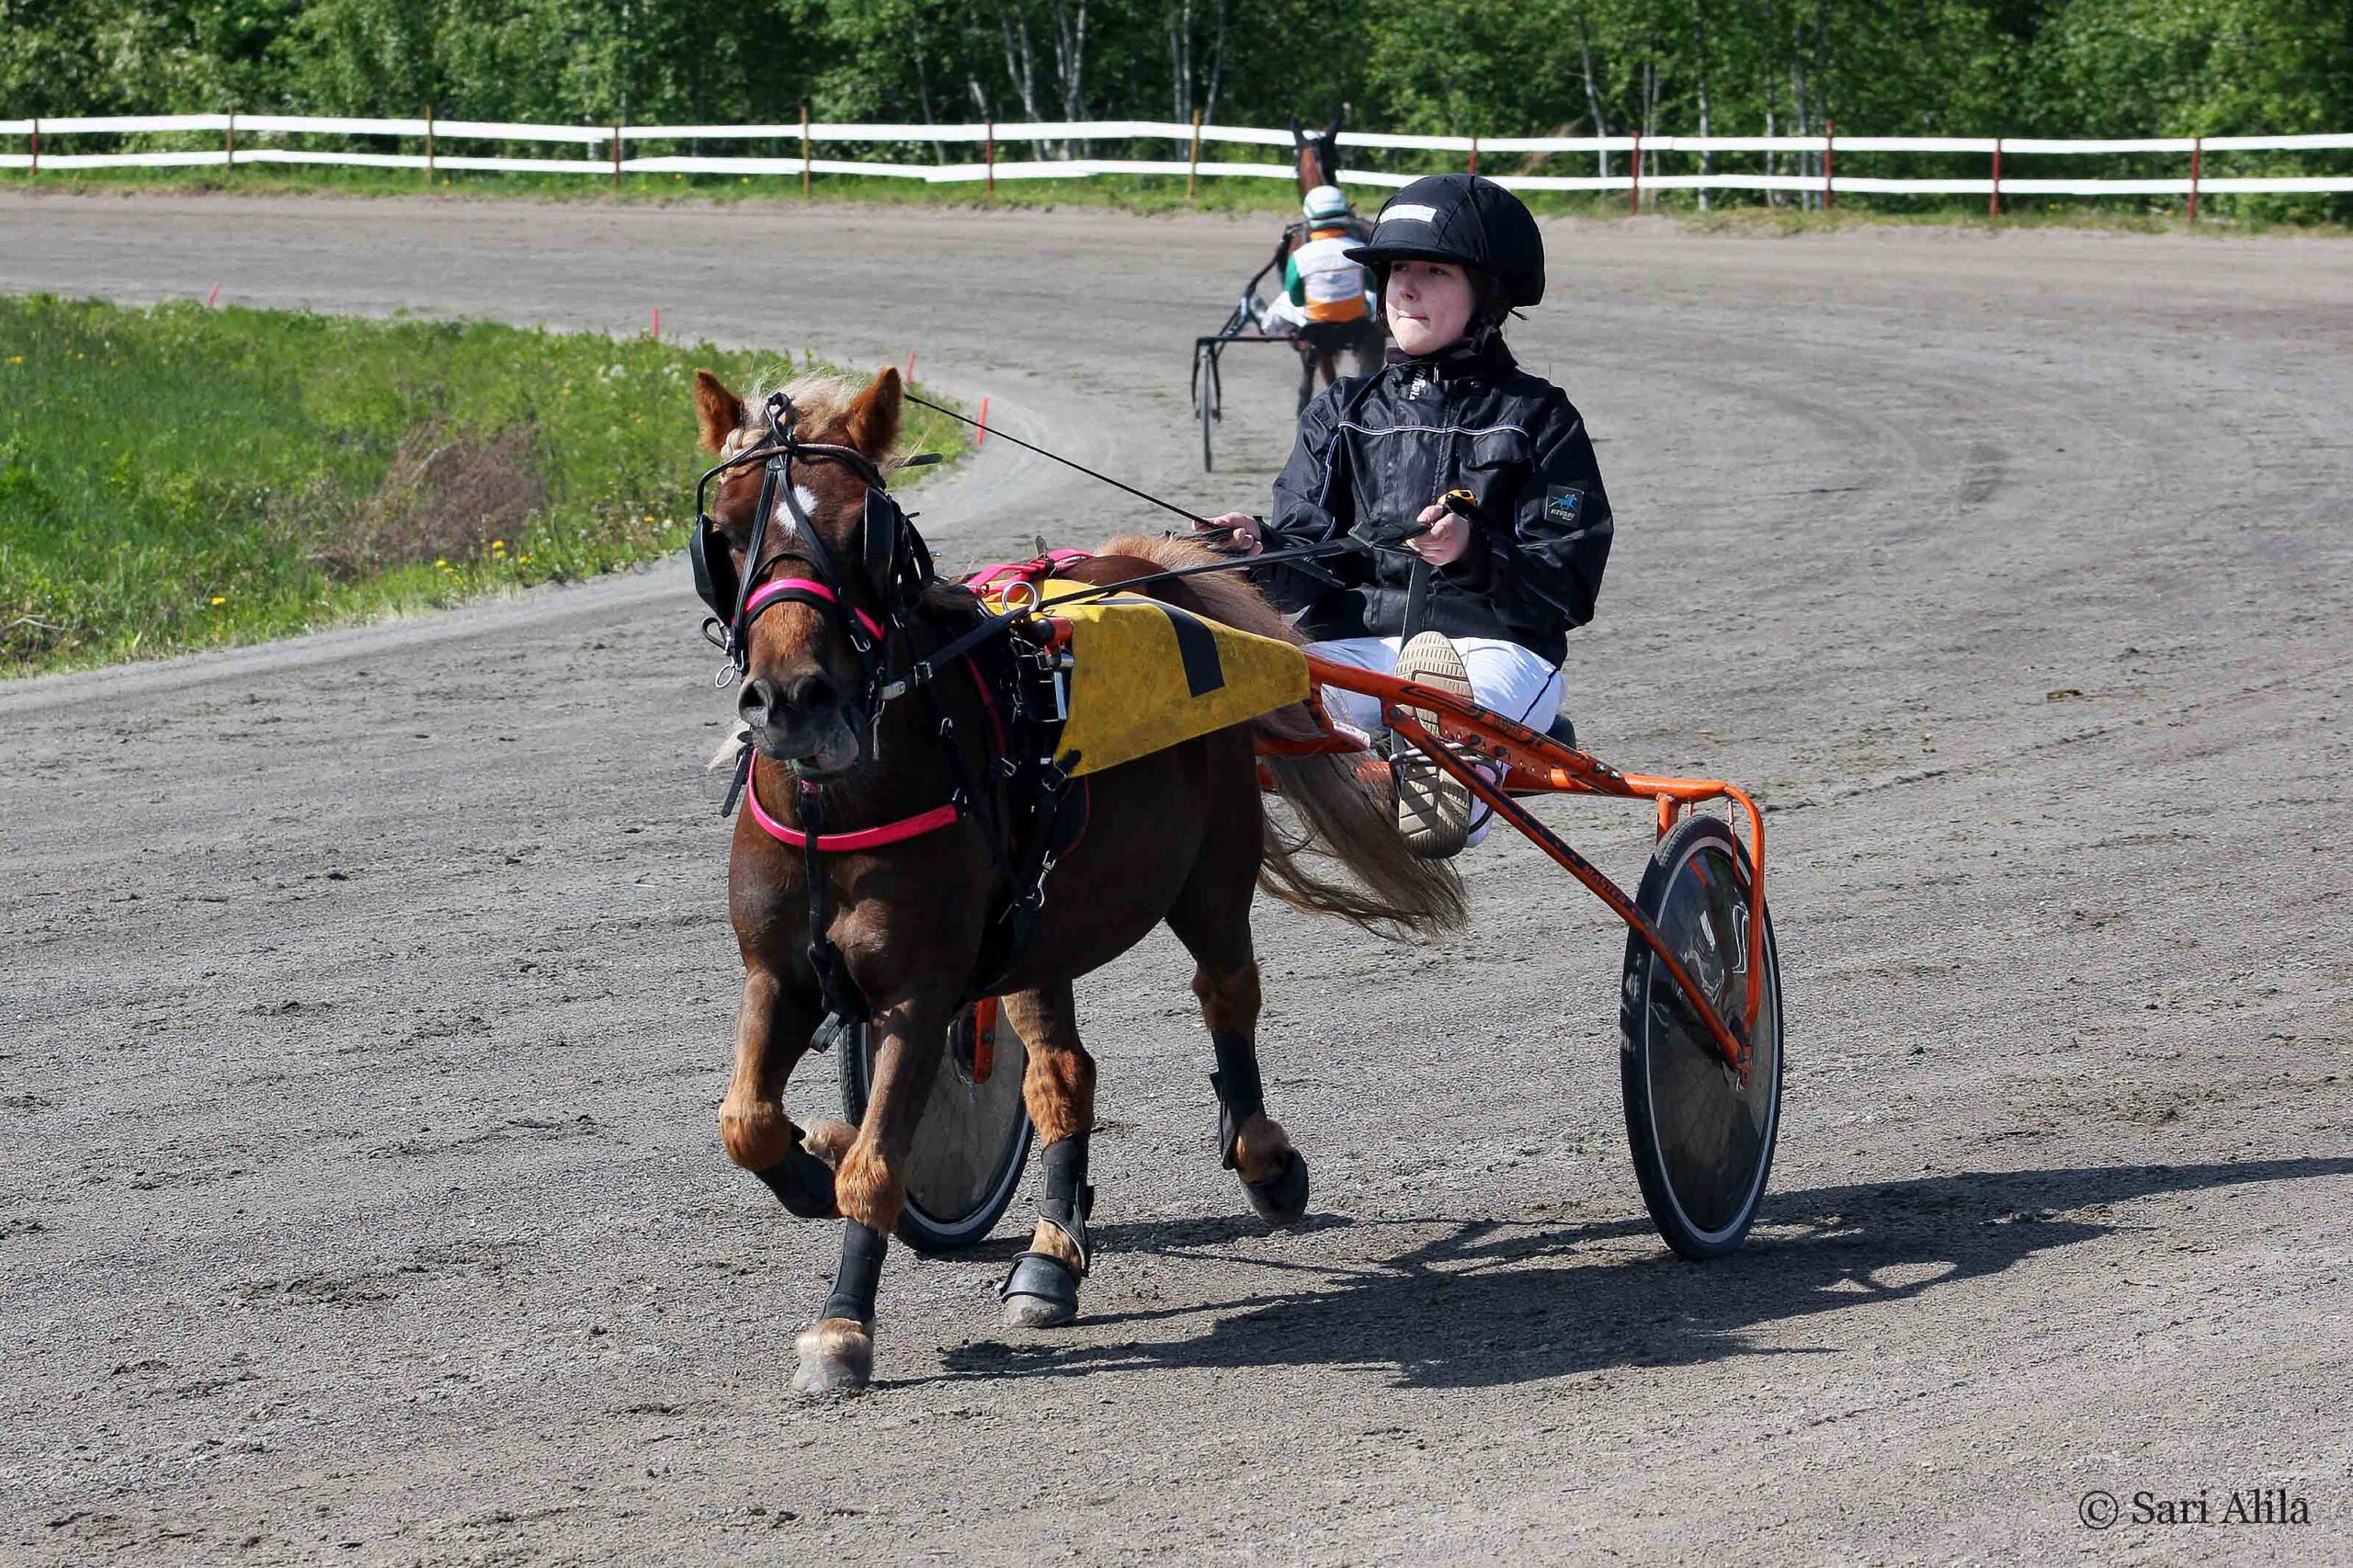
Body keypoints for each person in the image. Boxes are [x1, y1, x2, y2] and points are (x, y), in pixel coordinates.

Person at [1200, 174, 1613, 858]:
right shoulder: (1340, 412)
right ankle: (1406, 753)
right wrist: (1258, 547)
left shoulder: (1540, 418)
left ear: (1488, 294)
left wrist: (1471, 551)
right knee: (1244, 704)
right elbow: (1309, 562)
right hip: (1353, 650)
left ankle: (1437, 774)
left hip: (1495, 649)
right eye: (1397, 271)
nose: (1406, 290)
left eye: (1433, 271)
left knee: (1447, 712)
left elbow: (1565, 586)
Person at [1259, 186, 1384, 407]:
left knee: (1282, 302)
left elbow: (1296, 298)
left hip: (1316, 326)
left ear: (1310, 217)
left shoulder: (1299, 257)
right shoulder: (1359, 250)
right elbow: (1372, 286)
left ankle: (1266, 323)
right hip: (1356, 324)